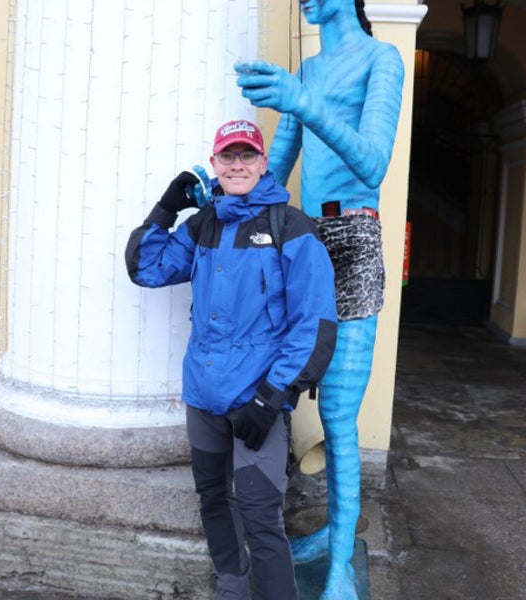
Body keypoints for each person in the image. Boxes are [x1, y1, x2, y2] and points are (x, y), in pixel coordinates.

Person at [125, 119, 338, 600]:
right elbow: (147, 267)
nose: (238, 164)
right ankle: (232, 587)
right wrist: (165, 207)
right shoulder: (204, 224)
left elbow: (316, 323)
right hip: (203, 395)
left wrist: (272, 397)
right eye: (228, 156)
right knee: (214, 500)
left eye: (247, 156)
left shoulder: (292, 228)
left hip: (256, 398)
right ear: (215, 165)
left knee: (262, 516)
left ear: (263, 164)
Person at [235, 1, 404, 599]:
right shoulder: (305, 70)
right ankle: (329, 536)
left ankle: (337, 570)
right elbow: (279, 166)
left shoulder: (382, 60)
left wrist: (301, 102)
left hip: (354, 235)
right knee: (280, 383)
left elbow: (374, 162)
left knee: (337, 415)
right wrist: (230, 183)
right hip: (305, 242)